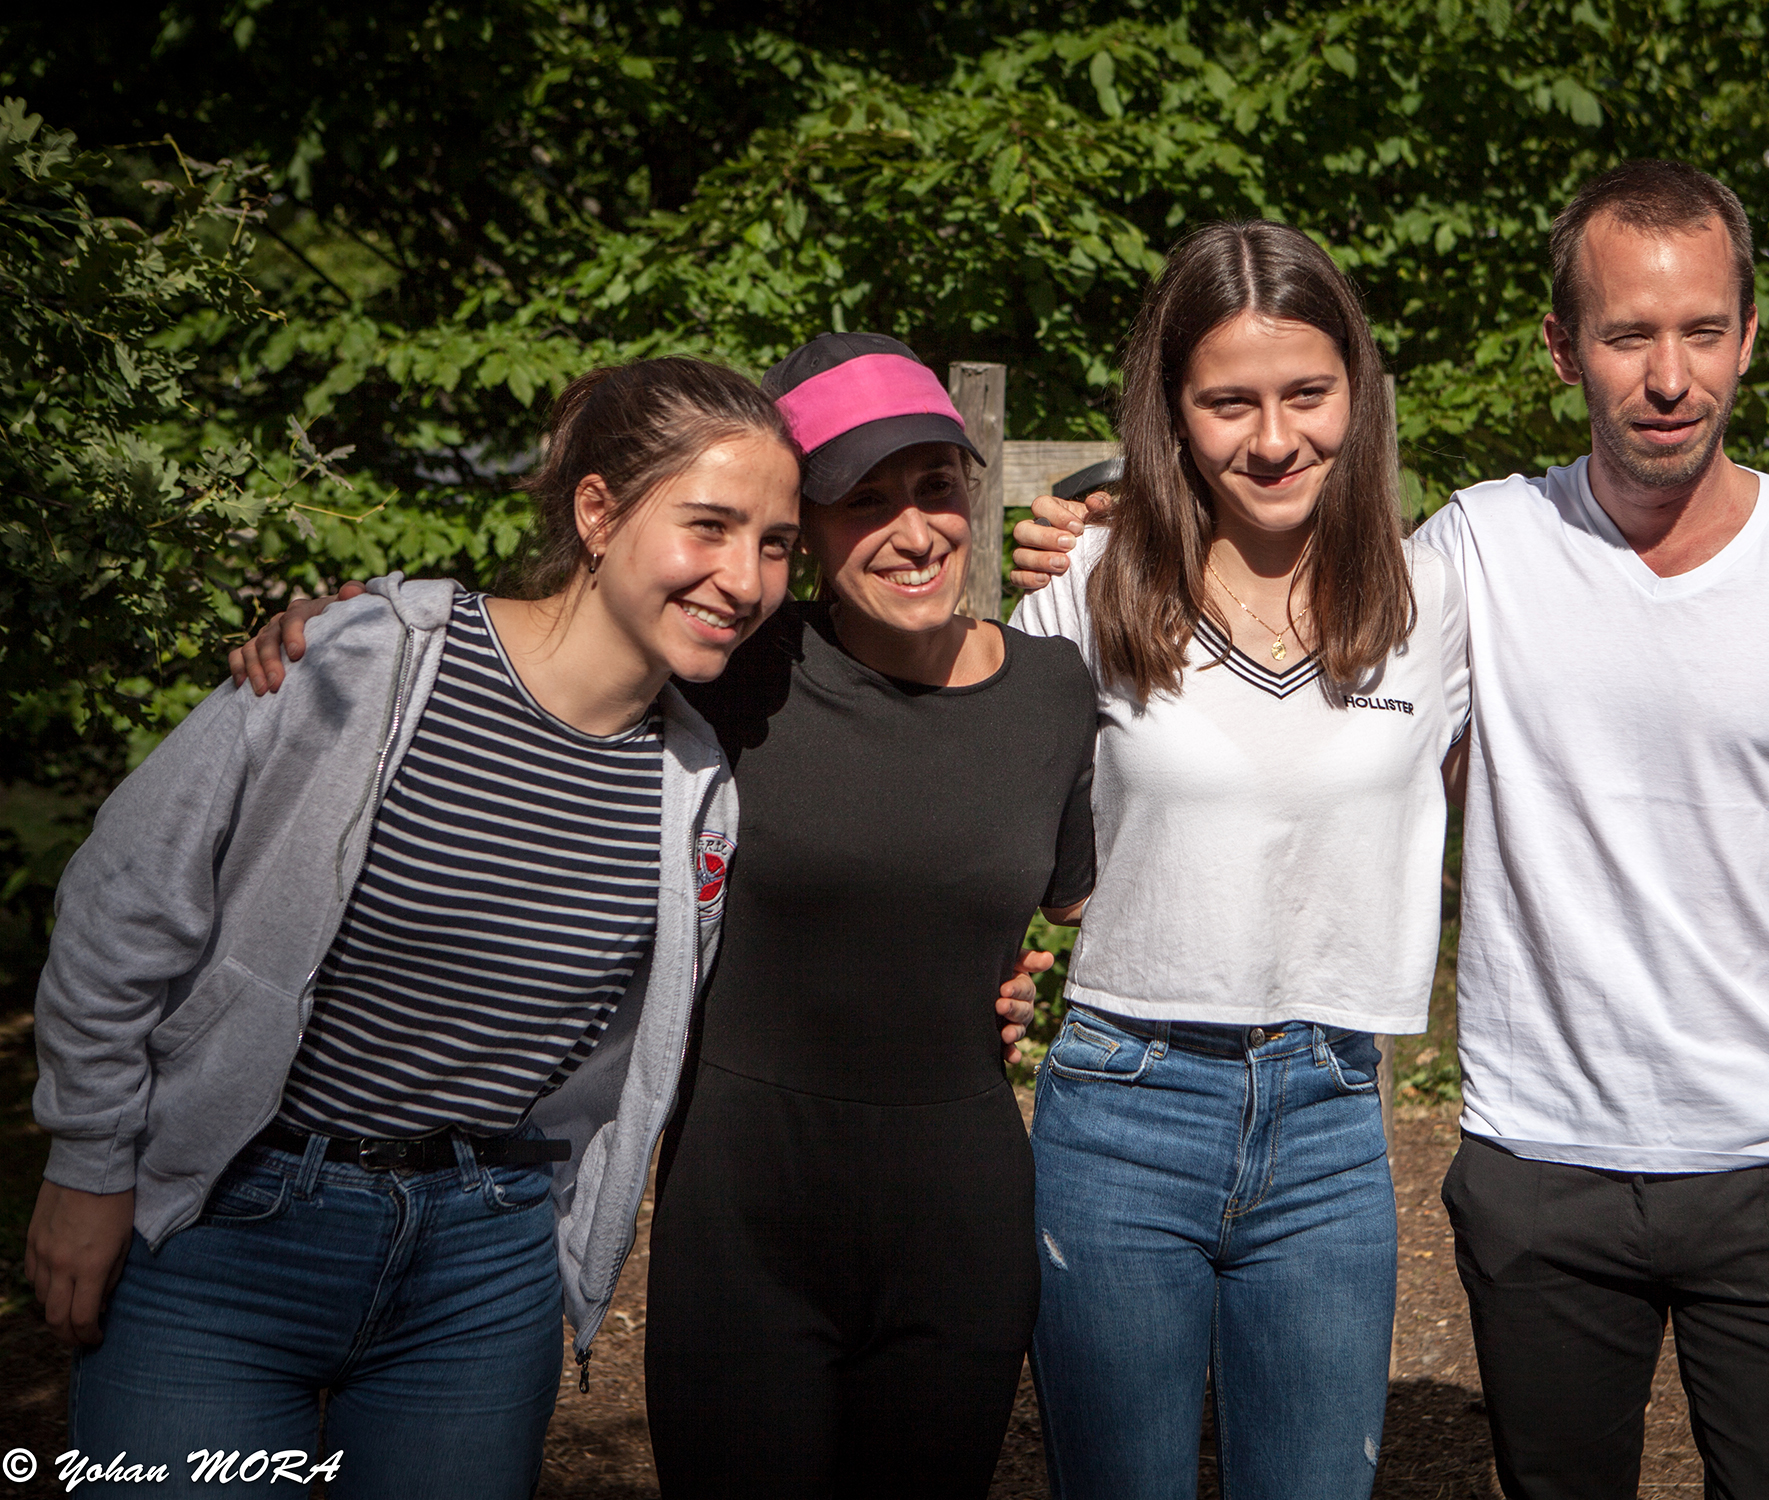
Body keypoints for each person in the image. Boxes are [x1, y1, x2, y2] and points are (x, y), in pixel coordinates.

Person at [1014, 162, 1769, 1500]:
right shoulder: (1477, 548)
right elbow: (1201, 710)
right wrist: (1111, 527)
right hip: (1529, 1156)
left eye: (1702, 330)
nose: (1668, 377)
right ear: (1562, 348)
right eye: (1626, 334)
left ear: (1748, 337)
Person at [27, 357, 801, 1497]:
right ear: (597, 513)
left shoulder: (696, 788)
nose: (745, 578)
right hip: (227, 1233)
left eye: (777, 544)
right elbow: (124, 901)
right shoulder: (367, 661)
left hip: (480, 1273)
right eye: (710, 525)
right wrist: (90, 1164)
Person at [1008, 221, 1470, 1500]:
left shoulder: (1435, 601)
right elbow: (995, 821)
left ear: (1358, 394)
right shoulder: (1086, 587)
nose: (1274, 439)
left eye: (1308, 393)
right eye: (1229, 403)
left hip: (1331, 1115)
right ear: (1172, 410)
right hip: (1121, 1102)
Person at [641, 332, 1098, 1496]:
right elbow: (545, 658)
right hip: (744, 1222)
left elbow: (1083, 906)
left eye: (935, 486)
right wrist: (345, 630)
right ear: (801, 528)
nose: (914, 531)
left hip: (961, 1228)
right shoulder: (733, 671)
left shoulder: (1053, 692)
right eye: (862, 501)